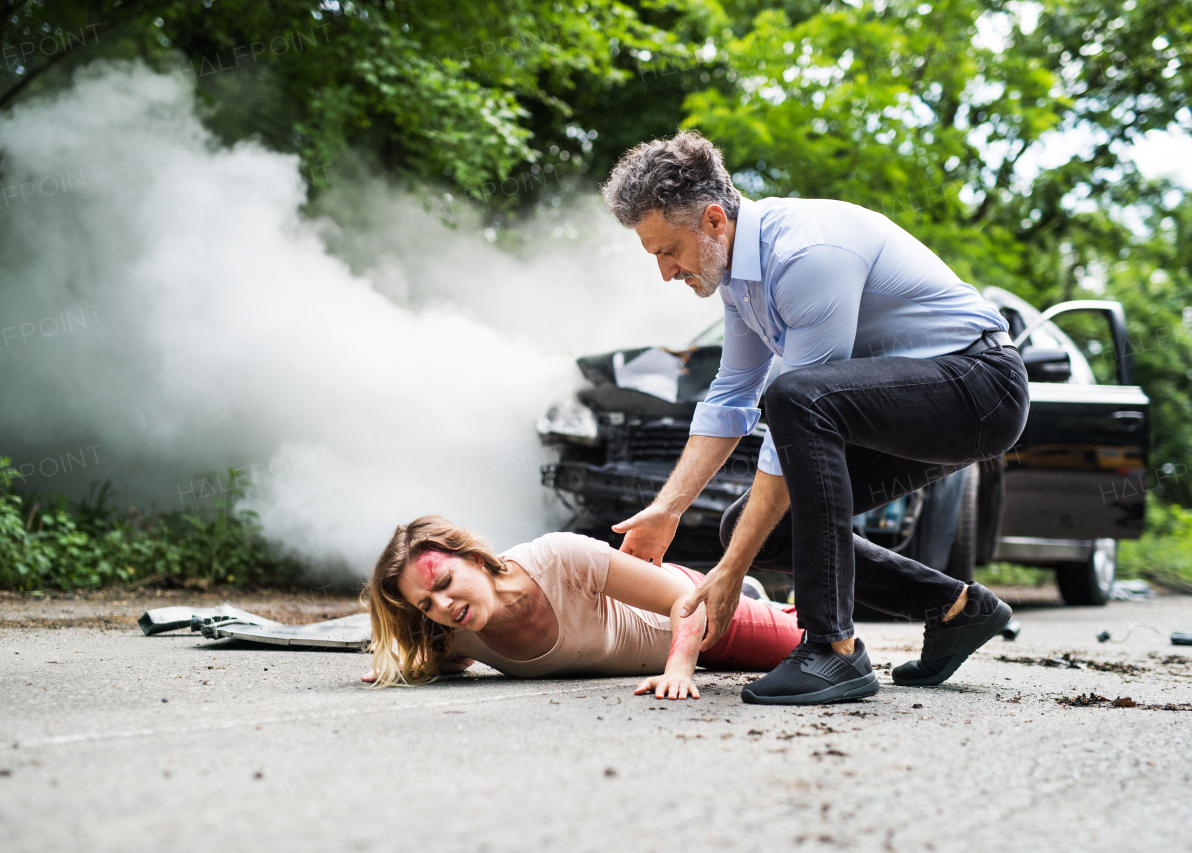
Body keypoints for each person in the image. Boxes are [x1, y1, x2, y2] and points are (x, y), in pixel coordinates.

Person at [600, 131, 1029, 705]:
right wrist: (667, 509)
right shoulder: (737, 277)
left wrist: (729, 572)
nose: (665, 271)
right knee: (754, 527)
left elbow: (795, 412)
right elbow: (731, 394)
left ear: (711, 221)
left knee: (796, 399)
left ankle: (834, 650)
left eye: (665, 251)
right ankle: (955, 609)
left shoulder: (805, 253)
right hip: (906, 408)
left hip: (978, 388)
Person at [363, 515, 808, 699]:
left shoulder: (559, 556)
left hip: (698, 617)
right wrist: (405, 663)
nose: (442, 605)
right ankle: (750, 592)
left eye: (444, 583)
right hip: (677, 638)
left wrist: (679, 670)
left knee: (810, 646)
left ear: (475, 559)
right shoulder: (453, 627)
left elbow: (683, 603)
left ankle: (744, 592)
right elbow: (444, 658)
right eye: (426, 604)